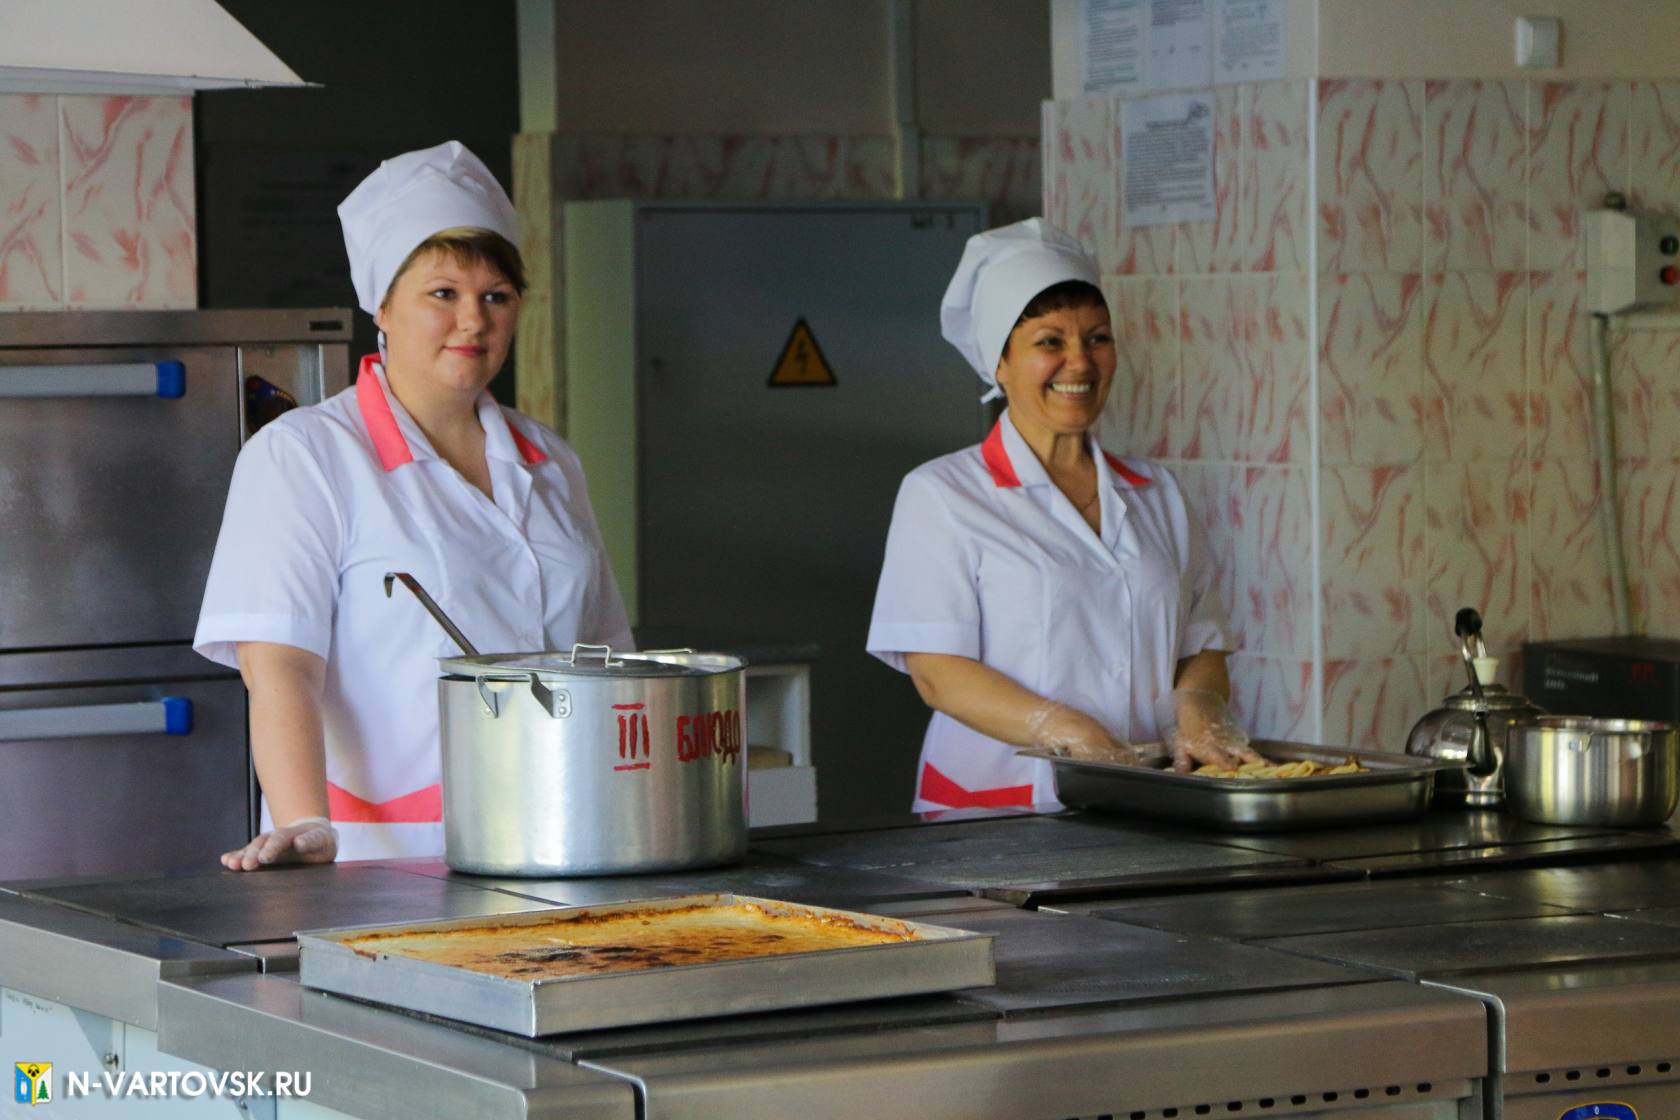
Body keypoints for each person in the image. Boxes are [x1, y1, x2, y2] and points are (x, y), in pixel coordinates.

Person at [195, 141, 631, 868]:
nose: (474, 321)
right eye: (444, 294)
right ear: (383, 304)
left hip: (564, 841)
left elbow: (608, 659)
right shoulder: (305, 455)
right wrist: (306, 822)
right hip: (382, 862)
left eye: (496, 296)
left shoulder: (552, 462)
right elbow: (279, 666)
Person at [866, 219, 1258, 812]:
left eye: (1097, 338)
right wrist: (1061, 726)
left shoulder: (1158, 493)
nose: (1080, 362)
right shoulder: (943, 494)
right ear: (999, 362)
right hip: (996, 810)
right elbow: (937, 672)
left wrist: (1200, 708)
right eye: (1050, 342)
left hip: (1144, 799)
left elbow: (1202, 642)